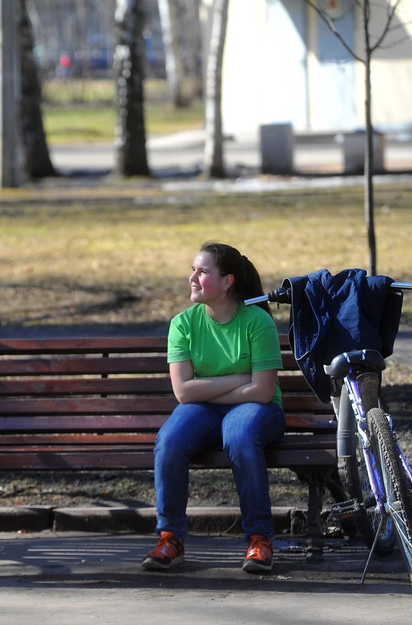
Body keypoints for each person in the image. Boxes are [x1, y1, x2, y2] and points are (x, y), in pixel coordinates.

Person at [142, 242, 284, 574]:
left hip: (257, 410)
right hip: (211, 407)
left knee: (238, 434)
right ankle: (170, 538)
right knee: (170, 440)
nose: (193, 277)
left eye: (203, 272)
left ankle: (259, 539)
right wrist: (238, 378)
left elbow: (262, 393)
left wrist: (204, 392)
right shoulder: (183, 324)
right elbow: (182, 392)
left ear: (227, 281)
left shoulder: (257, 321)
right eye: (193, 270)